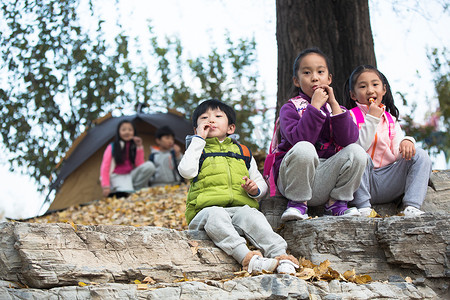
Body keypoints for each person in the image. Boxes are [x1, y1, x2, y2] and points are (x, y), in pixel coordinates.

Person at [178, 99, 299, 275]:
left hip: (238, 210)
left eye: (218, 116)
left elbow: (260, 183)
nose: (211, 120)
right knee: (216, 214)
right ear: (196, 129)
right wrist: (198, 141)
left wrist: (254, 190)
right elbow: (186, 171)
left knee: (253, 216)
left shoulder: (242, 152)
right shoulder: (197, 150)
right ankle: (248, 259)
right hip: (205, 213)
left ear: (230, 128)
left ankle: (281, 256)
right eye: (204, 117)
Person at [274, 47, 368, 222]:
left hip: (324, 180)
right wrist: (314, 108)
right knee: (304, 148)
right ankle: (297, 204)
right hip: (294, 178)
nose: (315, 77)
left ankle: (336, 203)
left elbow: (348, 139)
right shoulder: (290, 108)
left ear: (329, 78)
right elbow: (300, 140)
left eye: (320, 72)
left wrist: (333, 105)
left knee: (357, 151)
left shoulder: (338, 110)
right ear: (296, 80)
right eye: (307, 73)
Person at [343, 65, 432, 217]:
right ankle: (364, 207)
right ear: (353, 95)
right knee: (360, 155)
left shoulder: (391, 120)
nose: (370, 90)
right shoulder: (349, 116)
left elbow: (398, 152)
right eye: (363, 86)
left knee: (421, 155)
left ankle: (411, 206)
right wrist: (371, 118)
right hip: (361, 182)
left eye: (375, 84)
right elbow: (356, 149)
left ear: (384, 90)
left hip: (388, 180)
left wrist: (407, 141)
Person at [100, 120, 155, 197]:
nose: (127, 132)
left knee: (150, 166)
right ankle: (127, 190)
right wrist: (106, 186)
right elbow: (105, 167)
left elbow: (139, 164)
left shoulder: (134, 146)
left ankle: (134, 189)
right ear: (118, 132)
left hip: (130, 174)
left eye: (130, 130)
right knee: (127, 195)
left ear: (134, 132)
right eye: (123, 130)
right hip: (118, 176)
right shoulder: (112, 147)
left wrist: (139, 146)